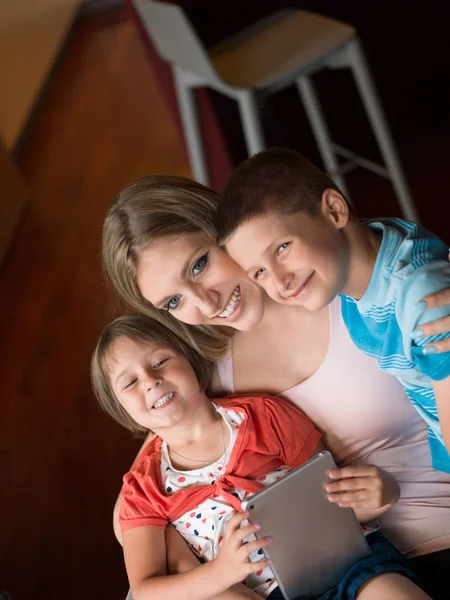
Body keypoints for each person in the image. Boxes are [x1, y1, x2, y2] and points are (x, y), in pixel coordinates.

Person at [102, 174, 450, 598]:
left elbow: (418, 277)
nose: (207, 303)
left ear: (228, 228)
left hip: (428, 541)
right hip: (325, 564)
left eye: (200, 264)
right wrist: (185, 562)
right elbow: (132, 513)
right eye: (174, 302)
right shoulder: (204, 369)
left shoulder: (331, 268)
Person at [91, 314, 431, 600]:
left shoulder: (263, 416)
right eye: (130, 382)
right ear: (120, 410)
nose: (151, 381)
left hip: (346, 563)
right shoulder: (142, 488)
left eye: (160, 361)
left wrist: (380, 493)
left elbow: (330, 492)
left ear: (190, 361)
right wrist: (220, 573)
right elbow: (147, 590)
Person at [215, 148, 450, 474]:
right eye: (259, 273)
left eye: (283, 247)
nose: (280, 281)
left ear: (334, 210)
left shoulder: (423, 301)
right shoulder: (373, 258)